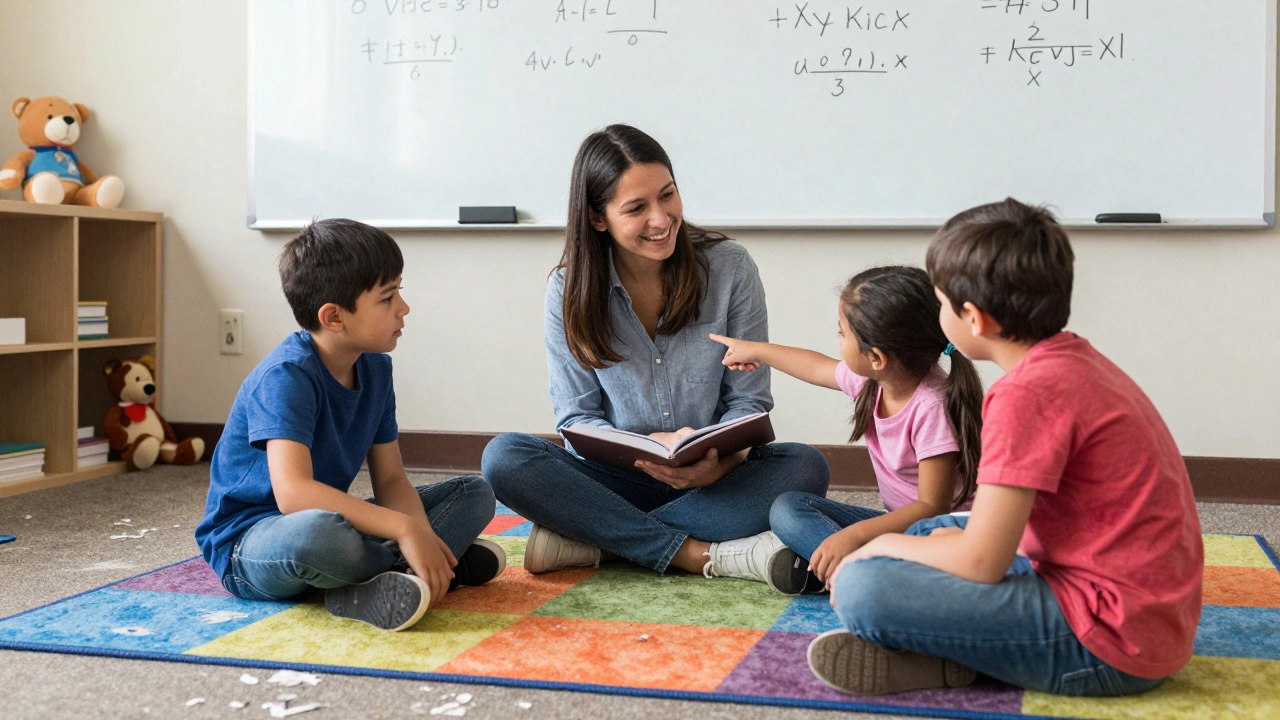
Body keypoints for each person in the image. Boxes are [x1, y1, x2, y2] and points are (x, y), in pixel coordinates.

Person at [808, 198, 1203, 697]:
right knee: (931, 528)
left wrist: (877, 546)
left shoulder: (1024, 396)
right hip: (1141, 615)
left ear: (973, 318)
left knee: (863, 586)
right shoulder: (1073, 358)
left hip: (1114, 643)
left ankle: (979, 657)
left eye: (941, 301)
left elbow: (982, 564)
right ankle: (961, 661)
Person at [481, 124, 830, 578]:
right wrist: (647, 447)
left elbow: (749, 403)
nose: (661, 219)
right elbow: (574, 417)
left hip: (715, 479)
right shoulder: (567, 290)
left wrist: (715, 464)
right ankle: (696, 551)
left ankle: (602, 542)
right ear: (597, 217)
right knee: (504, 457)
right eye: (636, 208)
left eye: (668, 196)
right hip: (615, 482)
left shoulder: (730, 267)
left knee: (805, 466)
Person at [195, 219, 503, 632]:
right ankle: (430, 564)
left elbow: (391, 479)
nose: (404, 308)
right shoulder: (286, 377)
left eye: (400, 292)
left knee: (475, 492)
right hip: (252, 543)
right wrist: (405, 530)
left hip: (331, 522)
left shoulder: (375, 369)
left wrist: (416, 530)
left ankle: (404, 572)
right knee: (318, 536)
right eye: (387, 297)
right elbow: (293, 495)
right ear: (334, 317)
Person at [708, 265, 983, 594]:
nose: (838, 339)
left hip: (945, 536)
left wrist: (853, 535)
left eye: (842, 332)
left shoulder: (932, 407)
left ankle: (863, 576)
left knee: (842, 537)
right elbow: (815, 366)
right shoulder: (877, 379)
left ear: (876, 357)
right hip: (901, 528)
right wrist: (756, 351)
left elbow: (931, 509)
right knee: (787, 509)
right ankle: (856, 570)